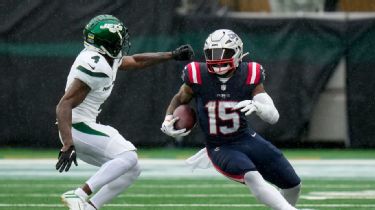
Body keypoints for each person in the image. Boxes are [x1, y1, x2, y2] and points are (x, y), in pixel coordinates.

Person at [55, 14, 194, 210]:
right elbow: (64, 105)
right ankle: (78, 194)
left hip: (82, 127)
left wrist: (171, 55)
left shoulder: (106, 58)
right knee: (128, 156)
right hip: (76, 127)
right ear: (105, 44)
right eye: (118, 40)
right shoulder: (95, 65)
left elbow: (136, 61)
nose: (122, 44)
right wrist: (68, 143)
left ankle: (90, 207)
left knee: (132, 169)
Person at [161, 29, 301, 210]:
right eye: (212, 53)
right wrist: (167, 119)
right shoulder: (198, 74)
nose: (217, 58)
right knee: (252, 176)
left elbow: (273, 117)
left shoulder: (250, 73)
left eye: (224, 53)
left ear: (237, 52)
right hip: (220, 146)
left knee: (293, 185)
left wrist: (259, 107)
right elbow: (180, 99)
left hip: (245, 138)